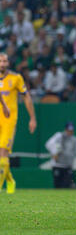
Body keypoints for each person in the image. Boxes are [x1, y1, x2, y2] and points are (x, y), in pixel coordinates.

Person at [0, 53, 37, 194]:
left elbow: (26, 97)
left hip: (9, 119)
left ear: (8, 63)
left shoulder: (16, 78)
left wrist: (32, 118)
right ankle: (10, 180)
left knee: (3, 151)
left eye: (4, 61)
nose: (2, 64)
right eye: (0, 61)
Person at [45, 122, 76, 188]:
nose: (70, 132)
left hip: (68, 166)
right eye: (68, 130)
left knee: (66, 185)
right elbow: (49, 144)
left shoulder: (75, 139)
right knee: (58, 185)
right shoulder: (59, 136)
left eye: (71, 131)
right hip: (57, 165)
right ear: (66, 129)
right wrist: (54, 153)